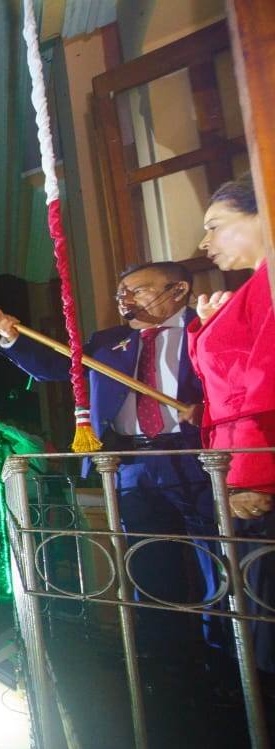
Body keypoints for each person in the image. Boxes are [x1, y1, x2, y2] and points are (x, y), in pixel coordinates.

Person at [0, 264, 218, 661]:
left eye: (138, 291)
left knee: (216, 554)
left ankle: (226, 648)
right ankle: (168, 655)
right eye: (120, 294)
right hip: (130, 461)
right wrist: (12, 338)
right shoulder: (108, 342)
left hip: (195, 455)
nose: (125, 301)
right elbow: (54, 368)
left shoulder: (207, 325)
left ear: (178, 290)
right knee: (147, 559)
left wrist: (208, 410)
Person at [190, 175, 275, 672]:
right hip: (238, 467)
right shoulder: (250, 288)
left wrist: (251, 475)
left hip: (257, 470)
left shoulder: (267, 285)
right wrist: (207, 326)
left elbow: (263, 385)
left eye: (217, 226)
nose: (205, 242)